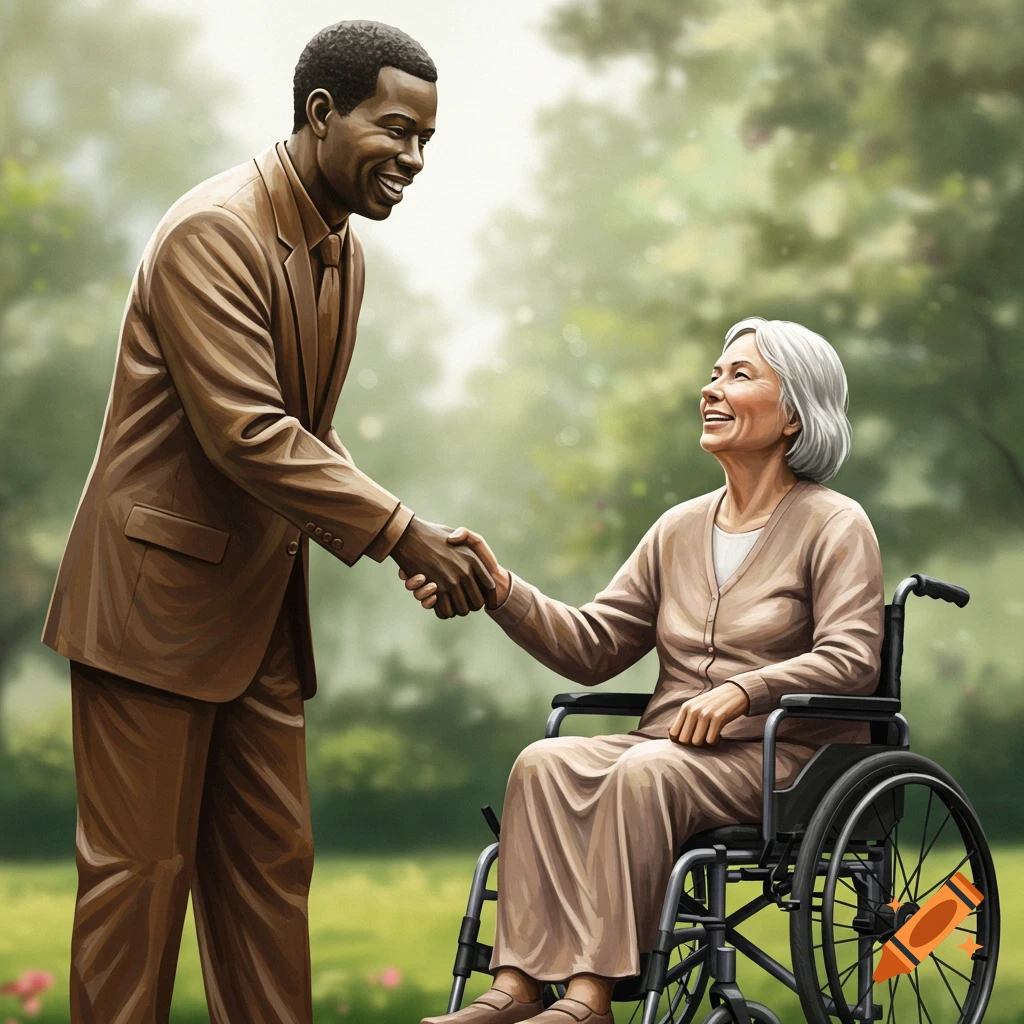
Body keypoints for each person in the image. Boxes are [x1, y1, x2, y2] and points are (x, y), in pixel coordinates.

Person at [41, 20, 495, 1024]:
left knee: (270, 866)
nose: (413, 161)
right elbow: (247, 431)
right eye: (395, 131)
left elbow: (310, 435)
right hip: (151, 612)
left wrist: (407, 538)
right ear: (321, 115)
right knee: (140, 879)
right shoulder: (217, 230)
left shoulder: (345, 255)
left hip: (256, 620)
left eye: (427, 141)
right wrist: (399, 530)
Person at [402, 318, 885, 1024]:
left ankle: (590, 999)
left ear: (793, 414)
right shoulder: (678, 528)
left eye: (738, 375)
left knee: (642, 773)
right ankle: (515, 988)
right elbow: (593, 646)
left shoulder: (835, 524)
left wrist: (743, 690)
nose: (710, 389)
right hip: (672, 746)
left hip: (785, 758)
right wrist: (499, 588)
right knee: (541, 763)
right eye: (714, 374)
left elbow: (852, 657)